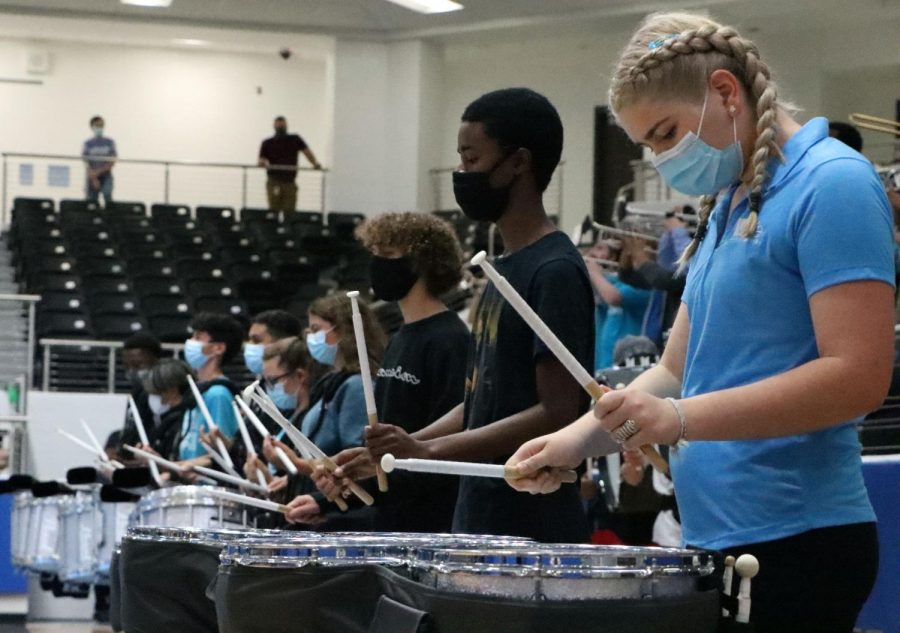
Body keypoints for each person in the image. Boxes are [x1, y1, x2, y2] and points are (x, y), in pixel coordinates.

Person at [507, 13, 893, 633]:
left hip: (799, 539)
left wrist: (681, 419)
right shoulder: (733, 202)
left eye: (665, 134)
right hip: (720, 534)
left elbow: (858, 377)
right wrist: (576, 442)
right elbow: (674, 370)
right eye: (648, 144)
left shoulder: (833, 184)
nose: (660, 159)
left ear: (724, 91)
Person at [356, 88, 595, 543]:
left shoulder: (555, 269)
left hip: (530, 527)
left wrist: (428, 449)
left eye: (471, 158)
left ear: (517, 162)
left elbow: (558, 410)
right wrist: (400, 450)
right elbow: (485, 398)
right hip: (480, 515)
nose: (462, 173)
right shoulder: (499, 267)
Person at [312, 212, 470, 533]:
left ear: (422, 262)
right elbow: (386, 444)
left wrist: (375, 480)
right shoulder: (399, 337)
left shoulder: (452, 339)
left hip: (432, 526)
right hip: (391, 521)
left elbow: (448, 447)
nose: (376, 264)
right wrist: (349, 483)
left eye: (387, 255)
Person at [279, 295, 385, 526]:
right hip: (324, 504)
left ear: (344, 331)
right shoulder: (333, 382)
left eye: (316, 329)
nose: (309, 337)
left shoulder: (357, 385)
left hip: (343, 518)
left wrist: (298, 464)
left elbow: (356, 460)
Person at [178, 313, 244, 461]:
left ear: (219, 348)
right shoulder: (199, 389)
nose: (190, 342)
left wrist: (189, 467)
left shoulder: (218, 393)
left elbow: (221, 451)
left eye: (198, 337)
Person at [585, 238, 651, 371]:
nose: (592, 252)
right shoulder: (613, 282)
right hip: (604, 363)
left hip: (628, 364)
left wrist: (594, 272)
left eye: (600, 248)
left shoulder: (643, 285)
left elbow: (613, 297)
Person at [258, 116, 322, 212]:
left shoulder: (295, 139)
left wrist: (315, 163)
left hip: (289, 181)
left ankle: (286, 226)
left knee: (289, 211)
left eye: (282, 125)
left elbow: (307, 152)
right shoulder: (267, 142)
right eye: (279, 125)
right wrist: (262, 163)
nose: (280, 127)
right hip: (274, 180)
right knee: (273, 209)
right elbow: (261, 159)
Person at [115, 333, 162, 458]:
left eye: (138, 366)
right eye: (127, 366)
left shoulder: (158, 397)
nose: (131, 371)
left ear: (156, 361)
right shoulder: (136, 393)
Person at [82, 115, 116, 207]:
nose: (99, 128)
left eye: (101, 125)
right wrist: (93, 177)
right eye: (97, 126)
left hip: (106, 175)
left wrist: (99, 172)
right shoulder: (88, 144)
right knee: (91, 201)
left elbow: (112, 161)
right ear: (92, 127)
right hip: (92, 176)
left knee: (107, 195)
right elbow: (86, 163)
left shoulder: (110, 142)